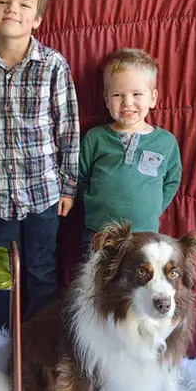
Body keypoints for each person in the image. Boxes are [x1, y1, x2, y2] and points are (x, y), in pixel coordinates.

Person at [0, 0, 80, 328]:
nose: (12, 9)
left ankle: (37, 336)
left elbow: (68, 129)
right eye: (3, 1)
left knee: (41, 268)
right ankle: (0, 337)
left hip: (43, 192)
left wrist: (69, 185)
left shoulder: (53, 65)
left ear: (37, 19)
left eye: (23, 4)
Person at [79, 48, 182, 255]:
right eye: (118, 95)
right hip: (99, 233)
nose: (127, 102)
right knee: (95, 284)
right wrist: (94, 203)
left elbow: (172, 181)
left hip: (144, 235)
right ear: (107, 99)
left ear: (153, 98)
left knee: (138, 286)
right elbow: (80, 177)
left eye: (137, 94)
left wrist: (153, 209)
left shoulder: (166, 142)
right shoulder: (95, 138)